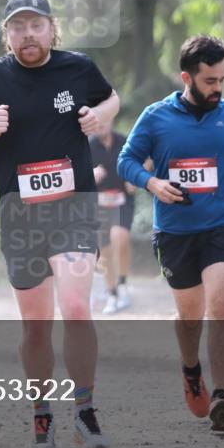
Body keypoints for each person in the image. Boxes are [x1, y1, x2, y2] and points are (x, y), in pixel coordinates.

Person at [0, 0, 119, 448]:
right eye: (18, 26)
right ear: (7, 34)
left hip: (75, 206)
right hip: (19, 212)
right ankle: (42, 414)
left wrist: (98, 116)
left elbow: (111, 99)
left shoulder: (77, 68)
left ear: (51, 28)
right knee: (37, 326)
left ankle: (85, 411)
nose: (28, 34)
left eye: (36, 25)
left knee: (76, 307)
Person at [118, 34, 224, 432]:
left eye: (222, 79)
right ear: (187, 77)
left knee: (222, 304)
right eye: (210, 81)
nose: (218, 88)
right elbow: (127, 161)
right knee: (190, 315)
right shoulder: (155, 117)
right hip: (175, 231)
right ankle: (191, 370)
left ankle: (222, 395)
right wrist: (152, 183)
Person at [89, 119, 137, 313]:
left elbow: (141, 161)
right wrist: (90, 173)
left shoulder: (125, 142)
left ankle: (123, 283)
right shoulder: (88, 146)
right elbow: (76, 175)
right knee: (104, 249)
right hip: (98, 202)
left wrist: (133, 177)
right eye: (98, 122)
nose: (102, 125)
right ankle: (112, 293)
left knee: (121, 237)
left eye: (105, 120)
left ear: (111, 121)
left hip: (122, 200)